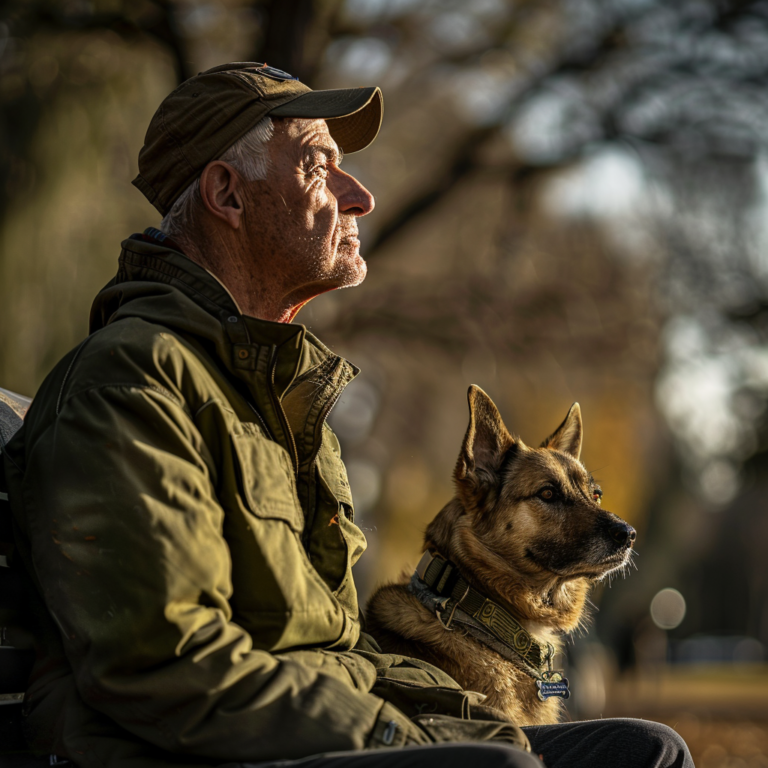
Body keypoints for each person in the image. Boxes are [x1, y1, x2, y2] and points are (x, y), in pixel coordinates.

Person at [2, 62, 693, 768]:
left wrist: (468, 719)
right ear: (227, 194)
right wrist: (405, 739)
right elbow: (165, 665)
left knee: (641, 751)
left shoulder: (283, 402)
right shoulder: (132, 383)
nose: (359, 196)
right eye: (318, 167)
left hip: (313, 737)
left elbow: (340, 655)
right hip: (206, 756)